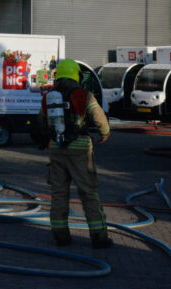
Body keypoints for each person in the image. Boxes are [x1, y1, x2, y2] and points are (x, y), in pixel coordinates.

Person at [34, 58, 112, 248]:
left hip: (56, 148)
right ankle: (99, 237)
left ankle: (61, 236)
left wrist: (46, 141)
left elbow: (41, 123)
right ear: (75, 75)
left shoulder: (49, 97)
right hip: (80, 148)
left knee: (59, 192)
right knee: (88, 192)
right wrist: (105, 133)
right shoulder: (84, 94)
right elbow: (98, 117)